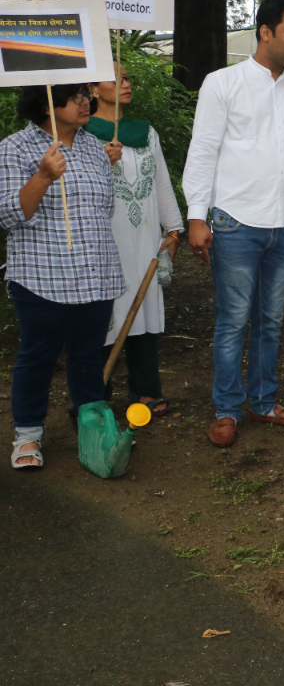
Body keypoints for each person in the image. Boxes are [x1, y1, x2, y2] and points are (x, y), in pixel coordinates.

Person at [182, 0, 284, 448]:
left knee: (268, 320)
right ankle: (226, 408)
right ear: (265, 32)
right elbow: (202, 151)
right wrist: (195, 216)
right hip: (234, 222)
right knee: (232, 320)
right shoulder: (222, 83)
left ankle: (263, 402)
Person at [1, 84, 124, 468]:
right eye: (74, 97)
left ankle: (92, 429)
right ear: (46, 105)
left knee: (88, 356)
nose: (86, 102)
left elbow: (105, 208)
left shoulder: (95, 148)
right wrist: (41, 176)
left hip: (94, 274)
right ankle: (27, 436)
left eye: (86, 95)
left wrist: (110, 166)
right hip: (42, 277)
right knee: (38, 356)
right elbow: (8, 215)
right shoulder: (16, 148)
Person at [88, 62, 185, 416]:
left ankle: (146, 390)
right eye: (117, 79)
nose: (126, 84)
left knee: (142, 307)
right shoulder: (83, 134)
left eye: (127, 78)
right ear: (93, 89)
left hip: (143, 237)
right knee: (103, 313)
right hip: (103, 240)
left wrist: (173, 231)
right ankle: (94, 397)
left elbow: (161, 184)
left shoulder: (145, 132)